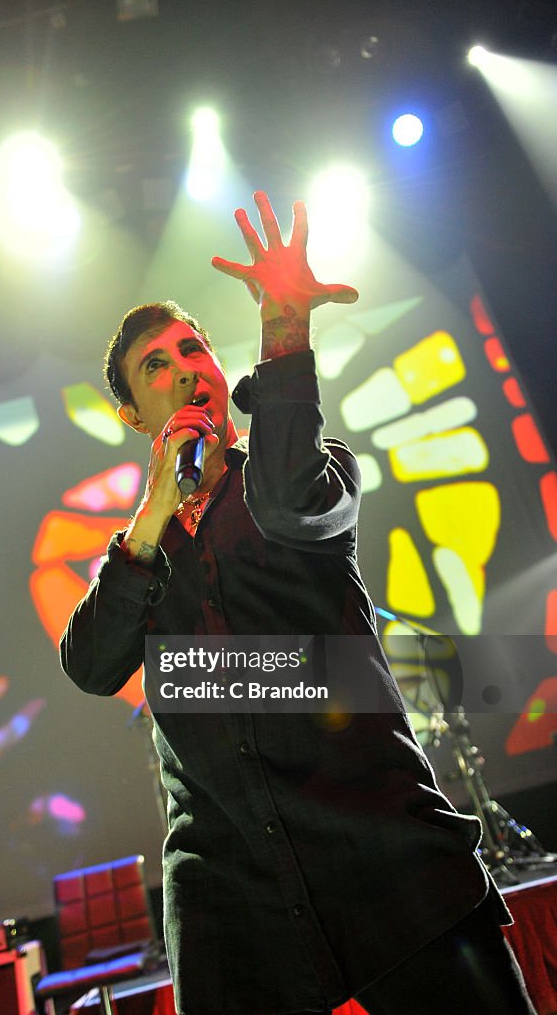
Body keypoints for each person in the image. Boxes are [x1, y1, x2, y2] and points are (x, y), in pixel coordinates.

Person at [60, 192, 536, 1015]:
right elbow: (93, 665)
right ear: (134, 415)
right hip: (231, 905)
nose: (185, 370)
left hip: (387, 858)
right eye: (156, 368)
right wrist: (150, 519)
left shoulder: (309, 472)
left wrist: (285, 331)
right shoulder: (142, 553)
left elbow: (287, 502)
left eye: (192, 348)